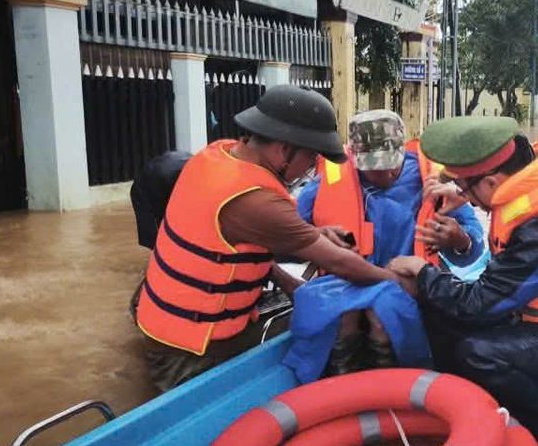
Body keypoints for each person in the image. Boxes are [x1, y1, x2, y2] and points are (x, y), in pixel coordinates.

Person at [134, 85, 401, 392]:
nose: (314, 167)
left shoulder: (218, 155)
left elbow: (236, 246)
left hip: (162, 322)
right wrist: (400, 281)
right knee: (329, 326)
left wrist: (294, 276)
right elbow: (339, 262)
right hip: (189, 350)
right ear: (285, 149)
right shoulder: (257, 200)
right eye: (312, 156)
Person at [387, 117, 538, 446]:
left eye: (468, 188)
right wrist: (463, 191)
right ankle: (454, 404)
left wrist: (422, 272)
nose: (465, 196)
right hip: (530, 315)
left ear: (493, 181)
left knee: (476, 352)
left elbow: (479, 306)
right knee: (436, 309)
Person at [295, 110, 484, 373]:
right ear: (355, 157)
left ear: (401, 150)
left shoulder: (434, 182)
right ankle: (343, 385)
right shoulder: (326, 183)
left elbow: (474, 251)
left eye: (389, 166)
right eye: (372, 170)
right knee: (340, 317)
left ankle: (393, 383)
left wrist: (458, 239)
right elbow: (290, 235)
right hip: (349, 278)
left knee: (383, 314)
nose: (383, 176)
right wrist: (318, 236)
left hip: (407, 280)